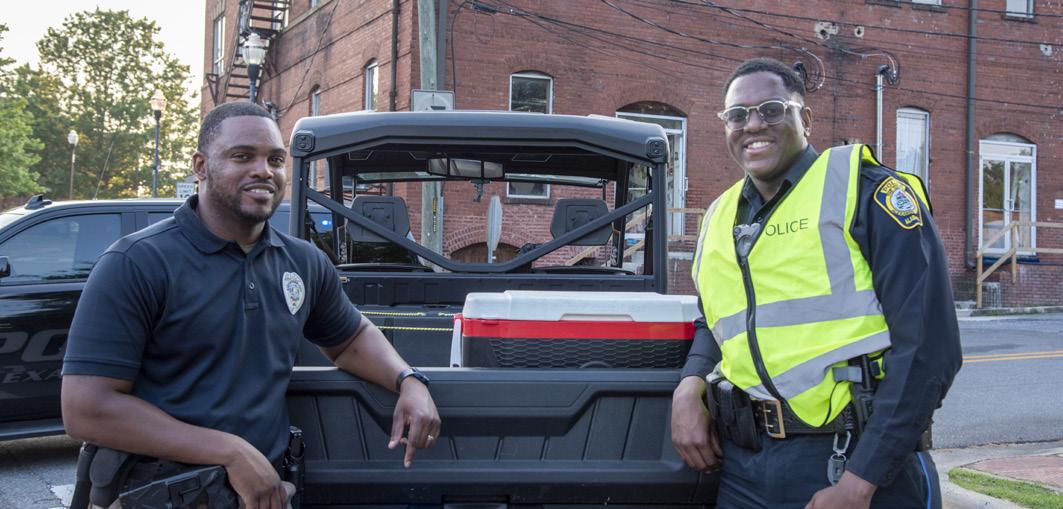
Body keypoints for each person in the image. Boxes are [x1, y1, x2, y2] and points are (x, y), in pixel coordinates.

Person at [61, 101, 441, 509]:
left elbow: (349, 339)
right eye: (242, 156)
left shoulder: (303, 262)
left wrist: (408, 380)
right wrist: (229, 452)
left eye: (275, 159)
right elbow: (87, 409)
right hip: (160, 494)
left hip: (264, 494)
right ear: (201, 166)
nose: (264, 170)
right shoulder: (137, 262)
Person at [671, 57, 962, 509]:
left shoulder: (867, 191)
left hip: (852, 462)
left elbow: (929, 349)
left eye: (771, 110)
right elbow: (716, 319)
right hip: (745, 469)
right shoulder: (718, 216)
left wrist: (861, 482)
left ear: (804, 118)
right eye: (737, 115)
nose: (753, 125)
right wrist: (691, 384)